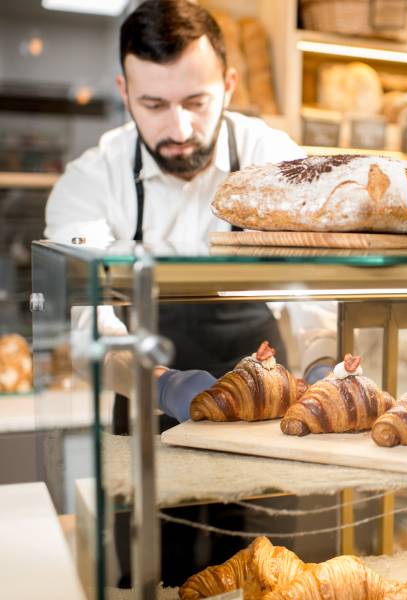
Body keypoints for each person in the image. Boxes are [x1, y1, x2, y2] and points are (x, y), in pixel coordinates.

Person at [44, 0, 317, 586]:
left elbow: (316, 286)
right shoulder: (92, 181)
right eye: (154, 105)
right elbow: (92, 326)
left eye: (197, 101)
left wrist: (321, 363)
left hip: (266, 411)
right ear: (123, 89)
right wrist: (163, 386)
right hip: (147, 405)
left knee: (265, 574)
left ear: (229, 83)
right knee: (156, 575)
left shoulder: (278, 162)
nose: (180, 129)